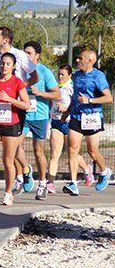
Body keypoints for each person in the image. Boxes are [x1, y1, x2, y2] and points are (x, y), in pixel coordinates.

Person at [0, 26, 39, 192]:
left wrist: (17, 89)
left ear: (5, 41)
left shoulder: (20, 56)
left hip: (15, 106)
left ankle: (25, 170)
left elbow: (35, 77)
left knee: (13, 149)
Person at [0, 52, 31, 206]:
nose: (4, 66)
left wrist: (9, 99)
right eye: (2, 63)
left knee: (8, 160)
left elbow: (26, 104)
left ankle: (8, 193)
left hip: (11, 123)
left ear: (13, 66)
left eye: (8, 64)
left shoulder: (17, 82)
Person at [63, 50, 113, 195]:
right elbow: (74, 96)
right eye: (77, 58)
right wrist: (67, 112)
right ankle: (73, 183)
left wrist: (89, 100)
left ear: (90, 61)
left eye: (80, 58)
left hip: (92, 117)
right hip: (76, 117)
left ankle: (104, 171)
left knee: (92, 151)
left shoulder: (98, 76)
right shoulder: (77, 75)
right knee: (72, 149)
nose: (77, 61)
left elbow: (108, 98)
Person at [43, 64, 92, 200]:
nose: (60, 77)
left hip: (69, 122)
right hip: (56, 122)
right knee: (54, 154)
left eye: (63, 74)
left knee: (73, 153)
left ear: (69, 75)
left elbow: (77, 104)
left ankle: (86, 169)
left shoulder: (71, 87)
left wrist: (66, 108)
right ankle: (50, 183)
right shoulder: (55, 87)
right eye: (58, 74)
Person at [17, 41, 60, 196]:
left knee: (38, 151)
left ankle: (42, 183)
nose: (26, 55)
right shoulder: (19, 70)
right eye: (24, 52)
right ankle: (24, 173)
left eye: (29, 53)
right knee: (15, 147)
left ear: (37, 56)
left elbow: (57, 94)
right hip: (22, 114)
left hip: (39, 116)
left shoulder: (44, 71)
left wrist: (41, 93)